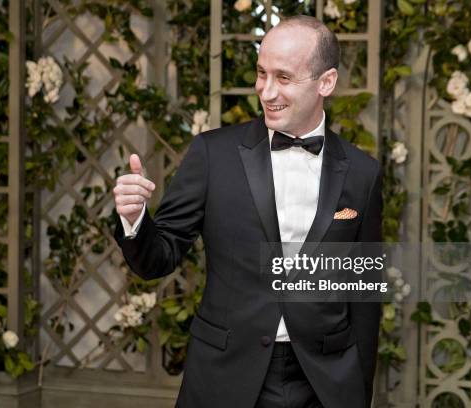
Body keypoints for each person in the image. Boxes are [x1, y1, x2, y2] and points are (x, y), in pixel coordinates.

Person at [113, 15, 382, 408]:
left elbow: (365, 299)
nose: (266, 91)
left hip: (325, 382)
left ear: (326, 82)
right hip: (225, 375)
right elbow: (158, 257)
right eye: (261, 73)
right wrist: (135, 218)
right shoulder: (212, 154)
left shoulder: (363, 172)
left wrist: (358, 392)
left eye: (284, 78)